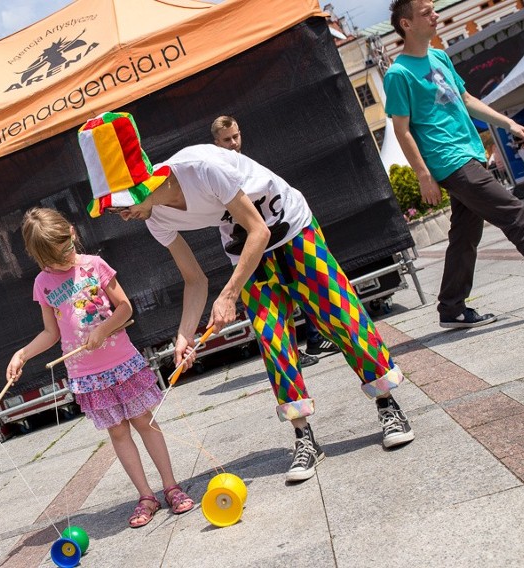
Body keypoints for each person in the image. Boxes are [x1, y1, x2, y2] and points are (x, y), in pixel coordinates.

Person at [78, 112, 414, 483]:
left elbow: (259, 230)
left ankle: (388, 404)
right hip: (245, 247)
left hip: (291, 227)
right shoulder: (154, 218)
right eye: (112, 210)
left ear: (142, 185)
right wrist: (184, 335)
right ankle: (303, 437)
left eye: (121, 205)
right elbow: (194, 280)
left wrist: (230, 294)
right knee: (272, 338)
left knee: (339, 315)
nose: (122, 216)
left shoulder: (202, 167)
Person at [6, 207, 194, 527]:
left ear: (73, 234)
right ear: (39, 259)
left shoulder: (94, 265)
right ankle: (145, 495)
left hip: (121, 361)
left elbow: (125, 308)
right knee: (118, 432)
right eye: (53, 259)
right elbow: (51, 333)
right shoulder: (43, 283)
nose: (63, 260)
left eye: (66, 250)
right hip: (86, 375)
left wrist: (103, 329)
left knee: (144, 421)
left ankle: (171, 486)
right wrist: (22, 354)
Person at [385, 0, 524, 329]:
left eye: (435, 9)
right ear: (406, 24)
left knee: (465, 234)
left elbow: (465, 100)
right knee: (517, 215)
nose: (435, 16)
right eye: (426, 12)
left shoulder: (439, 56)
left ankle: (451, 307)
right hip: (450, 161)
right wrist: (423, 175)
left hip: (469, 152)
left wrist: (509, 125)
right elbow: (402, 130)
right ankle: (452, 306)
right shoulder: (398, 74)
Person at [210, 116, 340, 366]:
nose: (234, 143)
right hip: (251, 244)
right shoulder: (218, 171)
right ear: (216, 143)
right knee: (275, 305)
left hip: (279, 234)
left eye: (236, 136)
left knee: (307, 285)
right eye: (227, 140)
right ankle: (292, 351)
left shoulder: (247, 163)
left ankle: (315, 337)